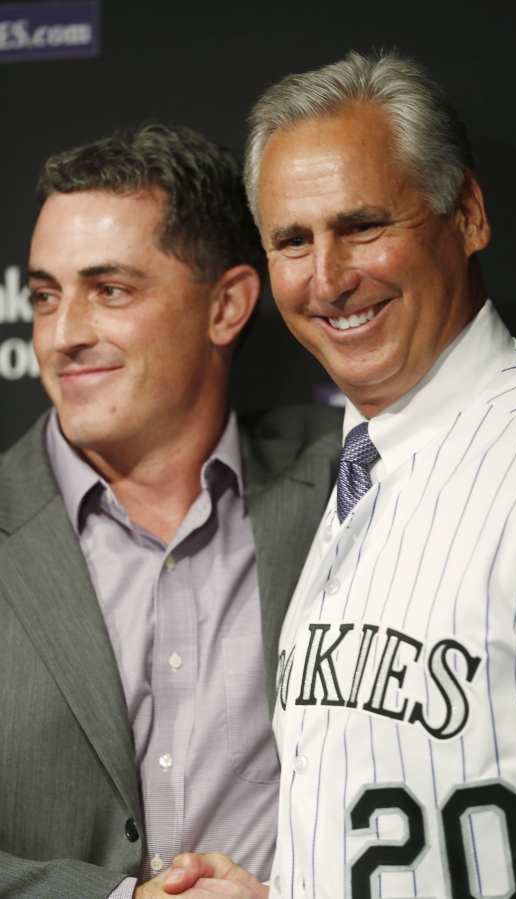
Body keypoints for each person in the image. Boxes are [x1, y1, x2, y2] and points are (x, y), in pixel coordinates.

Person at [178, 51, 516, 898]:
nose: (328, 279)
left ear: (468, 214)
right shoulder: (358, 467)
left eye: (362, 225)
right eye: (293, 241)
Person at [0, 123, 342, 899]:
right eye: (47, 296)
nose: (62, 336)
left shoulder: (347, 482)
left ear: (226, 306)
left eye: (110, 290)